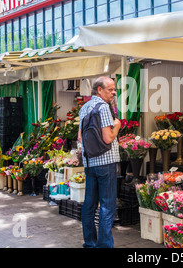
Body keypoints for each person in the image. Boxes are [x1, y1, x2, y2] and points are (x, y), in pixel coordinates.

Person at [78, 76, 121, 248]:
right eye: (110, 89)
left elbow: (80, 137)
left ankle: (89, 243)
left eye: (113, 89)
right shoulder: (103, 107)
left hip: (90, 163)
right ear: (99, 90)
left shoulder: (84, 107)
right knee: (106, 206)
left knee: (89, 205)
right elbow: (108, 137)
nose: (113, 92)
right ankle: (104, 245)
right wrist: (117, 125)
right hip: (106, 162)